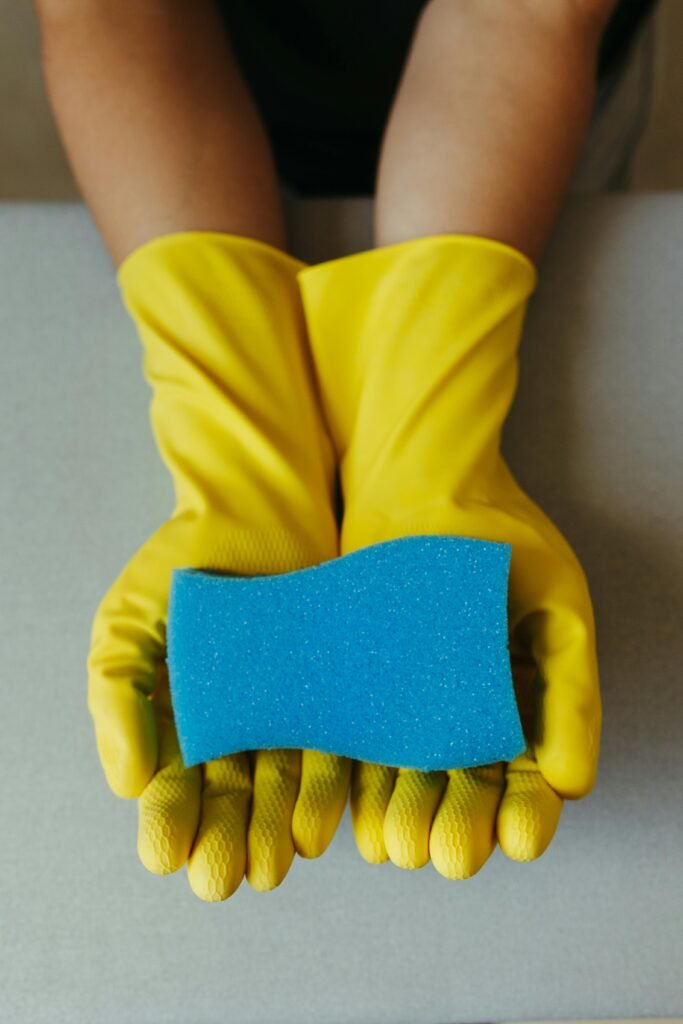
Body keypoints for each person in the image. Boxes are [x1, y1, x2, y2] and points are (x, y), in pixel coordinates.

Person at [32, 0, 656, 902]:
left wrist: (429, 416)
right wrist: (232, 410)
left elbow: (521, 14)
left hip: (518, 122)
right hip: (178, 115)